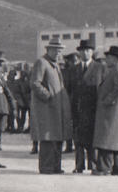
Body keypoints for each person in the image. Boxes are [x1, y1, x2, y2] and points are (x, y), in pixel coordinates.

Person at [30, 37, 72, 174]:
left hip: (58, 109)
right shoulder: (42, 63)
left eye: (60, 50)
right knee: (48, 138)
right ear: (48, 50)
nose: (58, 53)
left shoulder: (55, 65)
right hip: (48, 109)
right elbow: (35, 83)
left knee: (57, 138)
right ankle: (46, 167)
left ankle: (55, 166)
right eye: (55, 50)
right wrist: (48, 96)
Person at [92, 45, 118, 176]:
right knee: (117, 140)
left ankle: (103, 168)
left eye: (108, 57)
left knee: (106, 139)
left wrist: (107, 100)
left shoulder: (117, 70)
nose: (106, 60)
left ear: (114, 58)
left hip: (110, 112)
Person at [65, 40, 99, 172]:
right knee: (78, 139)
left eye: (88, 50)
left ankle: (93, 164)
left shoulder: (99, 68)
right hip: (77, 109)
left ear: (92, 52)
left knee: (92, 138)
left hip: (93, 110)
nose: (85, 53)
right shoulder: (73, 69)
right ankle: (79, 165)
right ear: (79, 52)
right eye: (83, 50)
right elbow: (69, 89)